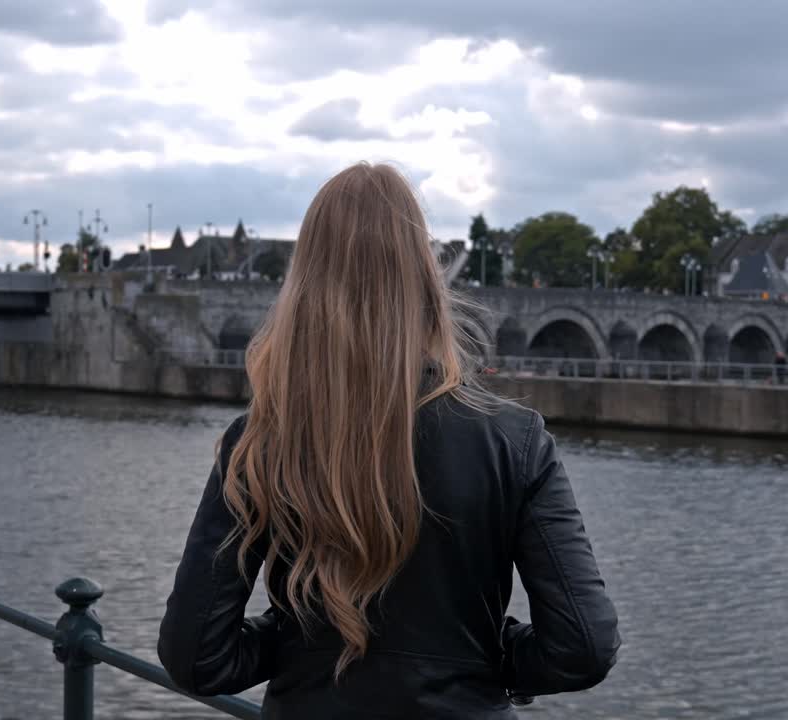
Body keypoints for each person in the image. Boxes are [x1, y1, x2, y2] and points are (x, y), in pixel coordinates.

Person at [158, 163, 619, 718]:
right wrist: (484, 658)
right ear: (425, 282)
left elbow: (195, 656)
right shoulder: (512, 440)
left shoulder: (261, 441)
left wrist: (298, 645)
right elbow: (583, 647)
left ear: (302, 286)